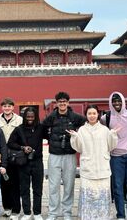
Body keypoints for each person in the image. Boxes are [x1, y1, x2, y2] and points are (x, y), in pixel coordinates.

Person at [68, 105, 118, 220]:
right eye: (89, 113)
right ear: (86, 115)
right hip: (88, 167)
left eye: (94, 113)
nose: (92, 116)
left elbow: (111, 146)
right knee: (88, 194)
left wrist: (113, 135)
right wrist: (75, 137)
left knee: (102, 194)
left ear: (98, 115)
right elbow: (79, 149)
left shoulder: (105, 130)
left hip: (102, 167)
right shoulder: (82, 130)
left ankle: (103, 216)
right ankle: (87, 216)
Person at [42, 92, 86, 220]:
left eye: (64, 101)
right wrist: (50, 138)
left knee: (69, 184)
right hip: (54, 154)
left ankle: (67, 212)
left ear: (68, 102)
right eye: (60, 101)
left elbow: (85, 125)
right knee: (53, 185)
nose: (62, 103)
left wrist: (78, 135)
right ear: (56, 103)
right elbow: (43, 128)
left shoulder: (75, 117)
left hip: (69, 155)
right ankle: (53, 213)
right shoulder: (52, 117)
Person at [100, 92, 127, 220]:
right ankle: (121, 215)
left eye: (119, 101)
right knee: (117, 188)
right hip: (115, 156)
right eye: (114, 101)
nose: (117, 103)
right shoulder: (105, 118)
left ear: (123, 100)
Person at [7, 107, 47, 220]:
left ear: (36, 117)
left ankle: (37, 213)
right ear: (25, 117)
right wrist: (22, 147)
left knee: (37, 189)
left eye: (32, 117)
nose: (30, 119)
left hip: (38, 161)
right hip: (24, 162)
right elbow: (10, 143)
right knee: (24, 189)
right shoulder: (19, 129)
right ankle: (27, 213)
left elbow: (50, 136)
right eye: (28, 117)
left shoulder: (41, 128)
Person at [0, 97, 23, 218]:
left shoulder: (19, 120)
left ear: (13, 107)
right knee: (3, 182)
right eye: (5, 106)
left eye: (9, 106)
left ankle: (16, 209)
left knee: (15, 183)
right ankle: (7, 208)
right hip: (0, 155)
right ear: (2, 107)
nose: (7, 108)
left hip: (14, 155)